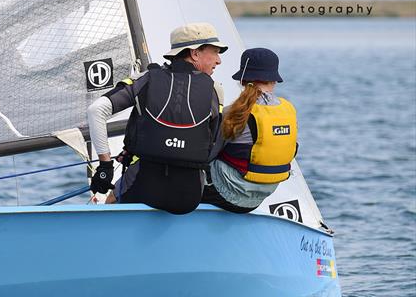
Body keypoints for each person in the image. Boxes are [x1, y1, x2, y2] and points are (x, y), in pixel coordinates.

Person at [87, 22, 225, 214]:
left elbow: (96, 110)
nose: (218, 60)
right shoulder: (215, 90)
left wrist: (105, 165)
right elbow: (213, 142)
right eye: (215, 52)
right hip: (187, 197)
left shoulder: (146, 79)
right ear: (194, 53)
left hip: (142, 188)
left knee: (111, 200)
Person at [202, 47, 297, 213]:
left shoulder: (233, 113)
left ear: (242, 80)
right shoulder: (288, 110)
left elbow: (208, 155)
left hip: (228, 195)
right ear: (274, 80)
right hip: (263, 195)